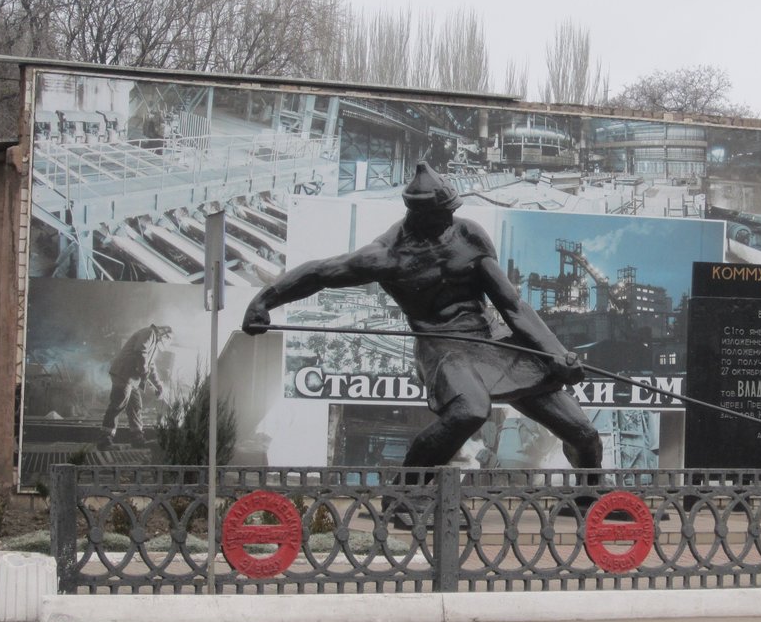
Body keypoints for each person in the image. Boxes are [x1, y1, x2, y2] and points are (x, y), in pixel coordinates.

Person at [242, 163, 603, 469]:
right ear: (421, 214)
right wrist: (263, 302)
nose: (451, 217)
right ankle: (405, 496)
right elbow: (320, 273)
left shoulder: (469, 235)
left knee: (585, 436)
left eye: (452, 209)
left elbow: (511, 305)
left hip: (491, 339)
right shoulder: (386, 256)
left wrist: (555, 353)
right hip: (443, 347)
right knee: (470, 412)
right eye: (443, 213)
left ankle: (589, 498)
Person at [99, 324, 173, 449]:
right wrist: (143, 371)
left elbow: (151, 366)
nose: (165, 344)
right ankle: (105, 440)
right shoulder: (150, 333)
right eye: (167, 340)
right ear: (164, 334)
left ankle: (137, 439)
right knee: (118, 404)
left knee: (135, 406)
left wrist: (158, 385)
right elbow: (140, 350)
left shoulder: (154, 344)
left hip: (132, 379)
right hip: (123, 373)